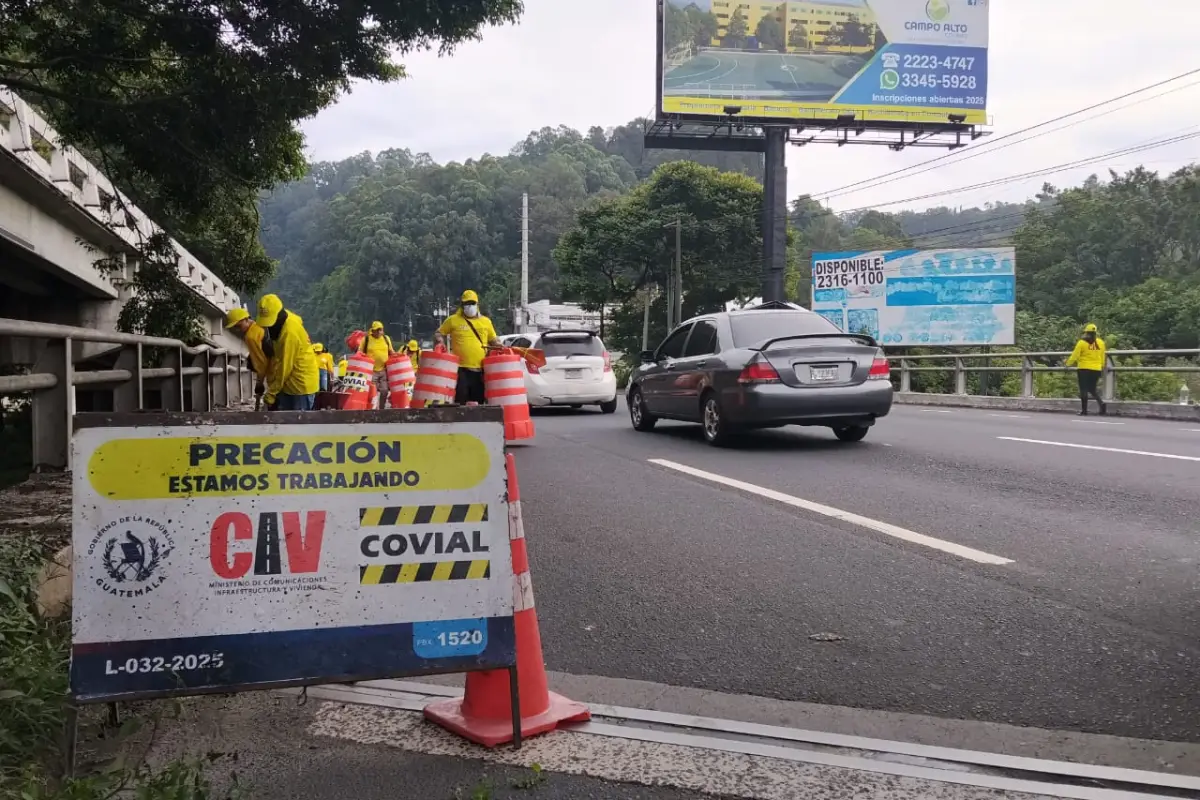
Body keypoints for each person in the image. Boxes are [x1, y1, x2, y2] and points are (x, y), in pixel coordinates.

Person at [255, 294, 321, 411]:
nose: (269, 327)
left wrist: (271, 393)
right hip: (287, 385)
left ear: (278, 315)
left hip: (300, 386)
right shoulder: (285, 319)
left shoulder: (290, 334)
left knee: (298, 426)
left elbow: (285, 367)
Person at [434, 289, 500, 405]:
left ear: (477, 304)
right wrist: (440, 341)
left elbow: (493, 339)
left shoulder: (486, 322)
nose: (469, 306)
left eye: (472, 303)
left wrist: (499, 345)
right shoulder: (453, 320)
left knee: (478, 402)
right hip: (460, 369)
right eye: (466, 303)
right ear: (462, 305)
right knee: (461, 400)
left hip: (480, 369)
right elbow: (439, 333)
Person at [224, 307, 272, 408]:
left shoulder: (251, 337)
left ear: (246, 319)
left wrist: (260, 382)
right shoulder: (259, 326)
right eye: (236, 327)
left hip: (273, 376)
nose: (238, 329)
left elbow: (261, 362)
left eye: (239, 326)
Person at [1067, 323, 1107, 416]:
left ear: (1086, 333)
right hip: (1096, 369)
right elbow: (1103, 356)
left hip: (1084, 368)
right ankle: (1101, 403)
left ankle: (1084, 411)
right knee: (1092, 389)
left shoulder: (1082, 343)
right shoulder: (1101, 343)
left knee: (1084, 389)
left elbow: (1075, 355)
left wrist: (1068, 364)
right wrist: (1102, 366)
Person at [361, 321, 395, 408]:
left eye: (381, 330)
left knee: (384, 391)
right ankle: (374, 409)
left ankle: (381, 408)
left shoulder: (386, 339)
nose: (379, 332)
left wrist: (398, 357)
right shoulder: (367, 339)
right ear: (373, 330)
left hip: (384, 369)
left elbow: (391, 352)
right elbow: (360, 352)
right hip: (371, 370)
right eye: (377, 330)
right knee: (373, 391)